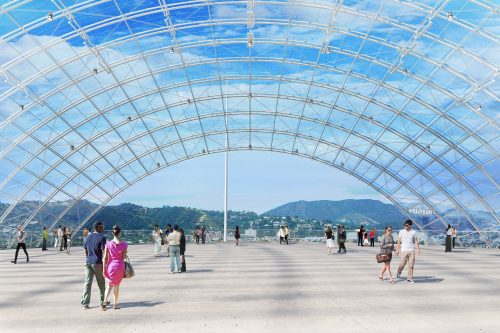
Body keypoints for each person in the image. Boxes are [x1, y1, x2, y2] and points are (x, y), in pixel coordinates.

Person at [81, 221, 107, 310]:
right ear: (98, 227)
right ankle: (103, 301)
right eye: (102, 226)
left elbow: (85, 251)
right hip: (98, 262)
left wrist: (88, 258)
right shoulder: (102, 237)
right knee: (101, 283)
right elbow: (104, 251)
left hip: (88, 262)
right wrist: (105, 261)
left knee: (87, 282)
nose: (103, 228)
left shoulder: (87, 237)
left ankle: (85, 303)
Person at [103, 225, 128, 310]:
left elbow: (105, 258)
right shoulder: (124, 244)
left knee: (109, 285)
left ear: (112, 233)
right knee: (116, 286)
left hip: (111, 267)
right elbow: (124, 257)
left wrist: (104, 269)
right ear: (120, 233)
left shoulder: (108, 244)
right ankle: (115, 305)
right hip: (120, 266)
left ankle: (104, 302)